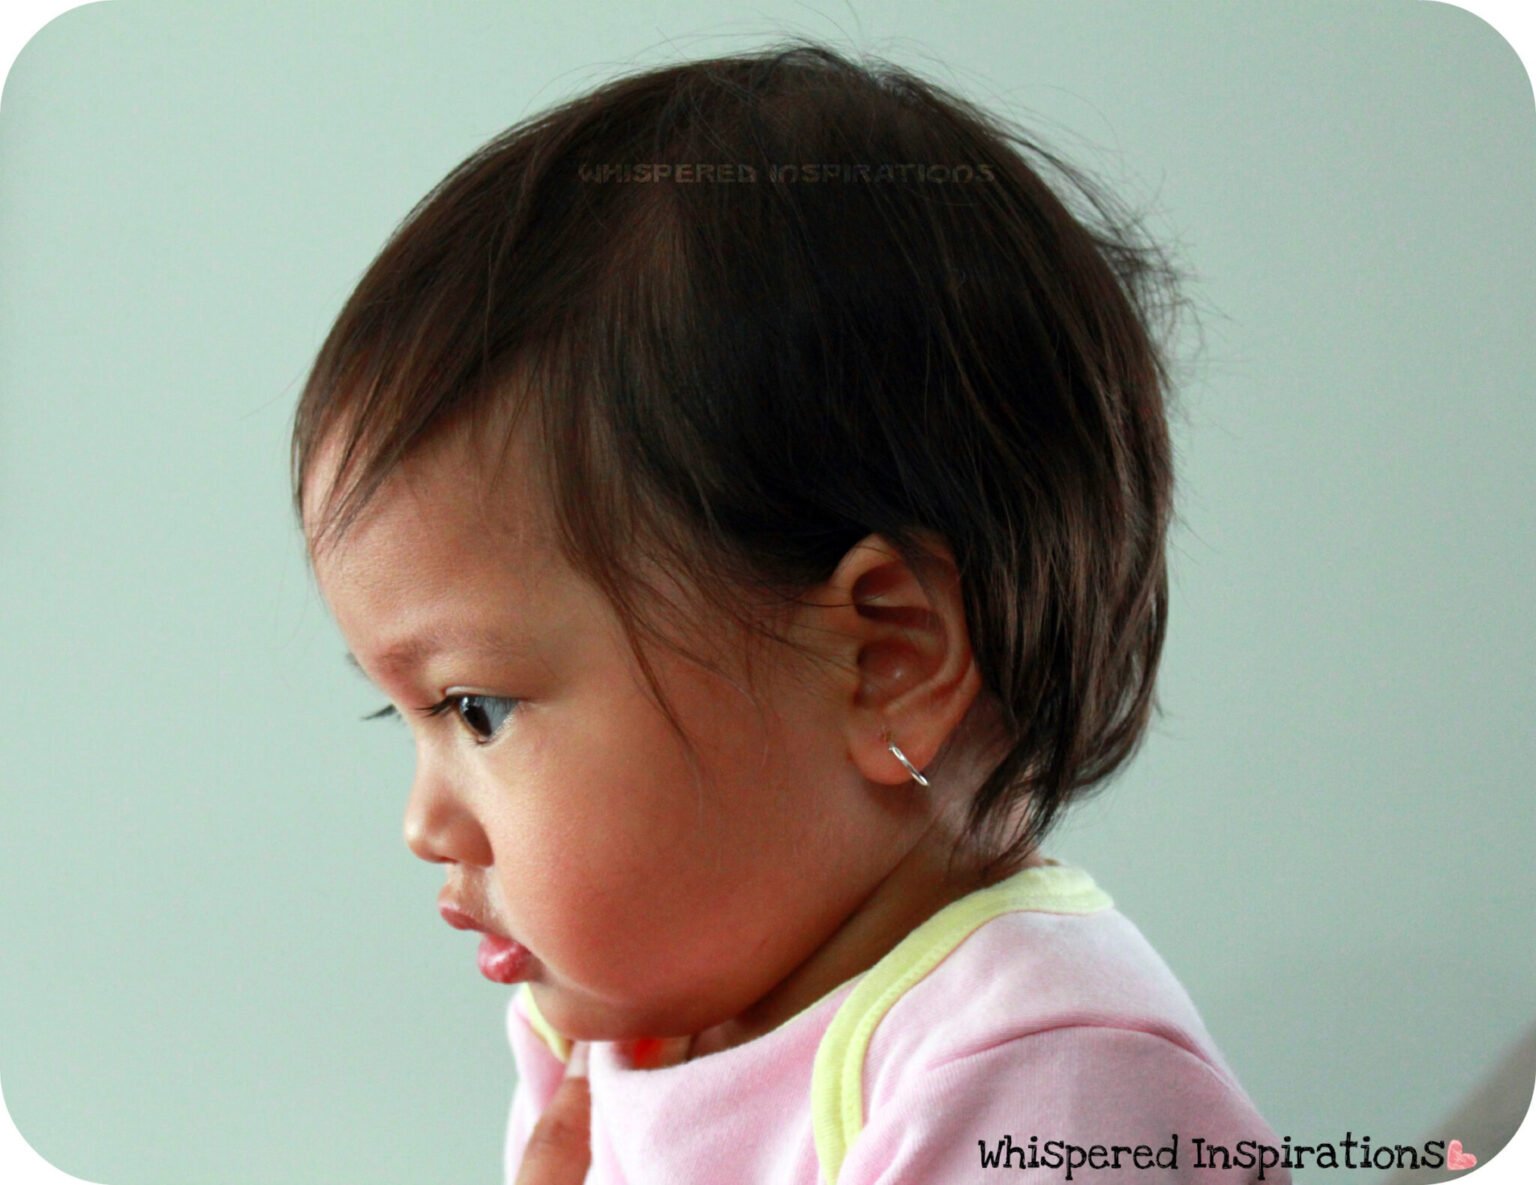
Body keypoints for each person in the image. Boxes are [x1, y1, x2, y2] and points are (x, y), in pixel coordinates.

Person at [293, 39, 1288, 1184]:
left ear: (885, 661)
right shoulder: (618, 1031)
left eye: (476, 708)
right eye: (405, 716)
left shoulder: (1054, 1092)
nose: (426, 825)